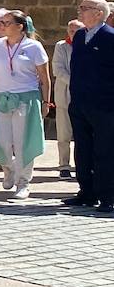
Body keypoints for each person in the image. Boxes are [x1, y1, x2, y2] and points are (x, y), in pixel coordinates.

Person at [0, 10, 50, 199]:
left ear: (20, 26)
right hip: (0, 98)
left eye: (7, 22)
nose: (2, 26)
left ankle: (23, 182)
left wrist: (46, 101)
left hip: (25, 98)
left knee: (23, 141)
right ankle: (8, 168)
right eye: (1, 22)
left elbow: (44, 77)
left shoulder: (34, 47)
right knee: (2, 140)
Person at [64, 0, 114, 212]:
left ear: (99, 13)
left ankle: (107, 195)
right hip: (80, 104)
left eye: (85, 8)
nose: (80, 11)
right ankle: (86, 192)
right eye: (80, 7)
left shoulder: (110, 37)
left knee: (104, 151)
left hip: (104, 106)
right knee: (82, 149)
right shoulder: (80, 36)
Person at [53, 19, 81, 179]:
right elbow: (58, 69)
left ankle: (82, 164)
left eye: (76, 30)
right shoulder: (61, 46)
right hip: (65, 94)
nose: (72, 33)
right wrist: (76, 82)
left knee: (83, 134)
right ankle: (64, 165)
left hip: (84, 95)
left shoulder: (87, 45)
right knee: (64, 133)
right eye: (70, 30)